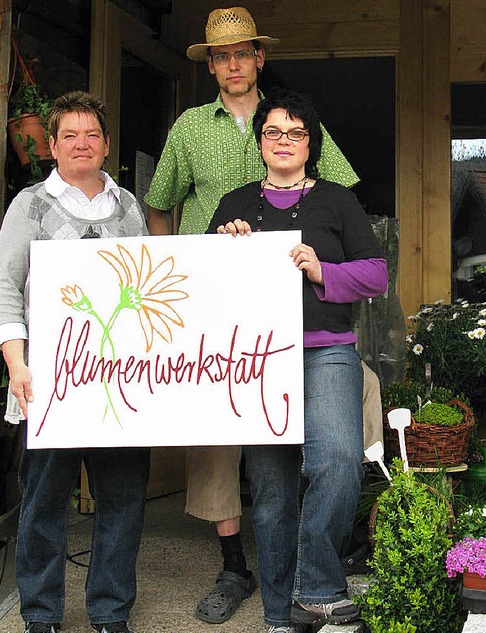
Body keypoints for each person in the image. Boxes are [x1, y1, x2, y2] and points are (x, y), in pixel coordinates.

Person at [143, 6, 362, 626]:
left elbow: (338, 187)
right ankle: (233, 564)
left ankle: (310, 562)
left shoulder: (289, 118)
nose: (232, 64)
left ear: (259, 58)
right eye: (220, 55)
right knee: (215, 443)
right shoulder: (189, 127)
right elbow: (161, 207)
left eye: (242, 53)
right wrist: (178, 275)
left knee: (331, 437)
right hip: (218, 304)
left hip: (302, 312)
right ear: (210, 64)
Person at [209, 88, 388, 633]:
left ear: (311, 143)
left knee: (336, 463)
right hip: (258, 357)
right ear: (260, 142)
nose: (283, 141)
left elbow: (376, 275)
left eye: (295, 132)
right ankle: (279, 617)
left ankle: (315, 589)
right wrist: (224, 248)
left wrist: (322, 272)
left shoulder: (338, 201)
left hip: (327, 350)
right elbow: (204, 286)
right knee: (270, 489)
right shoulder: (234, 205)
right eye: (273, 132)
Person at [0, 91, 150, 633]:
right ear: (54, 147)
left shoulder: (129, 206)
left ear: (107, 145)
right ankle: (40, 614)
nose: (81, 144)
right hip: (49, 383)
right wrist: (17, 365)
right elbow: (7, 288)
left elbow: (146, 286)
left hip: (117, 384)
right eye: (69, 135)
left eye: (92, 134)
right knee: (43, 505)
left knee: (123, 500)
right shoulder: (30, 205)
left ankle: (110, 612)